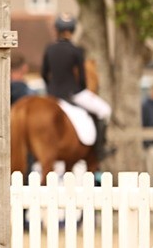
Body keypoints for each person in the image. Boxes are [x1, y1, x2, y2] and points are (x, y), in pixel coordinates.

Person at [42, 14, 111, 156]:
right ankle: (100, 149)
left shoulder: (49, 49)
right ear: (73, 30)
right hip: (73, 93)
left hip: (53, 93)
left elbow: (44, 73)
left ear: (57, 30)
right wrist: (83, 89)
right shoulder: (76, 51)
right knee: (104, 110)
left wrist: (50, 89)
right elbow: (82, 79)